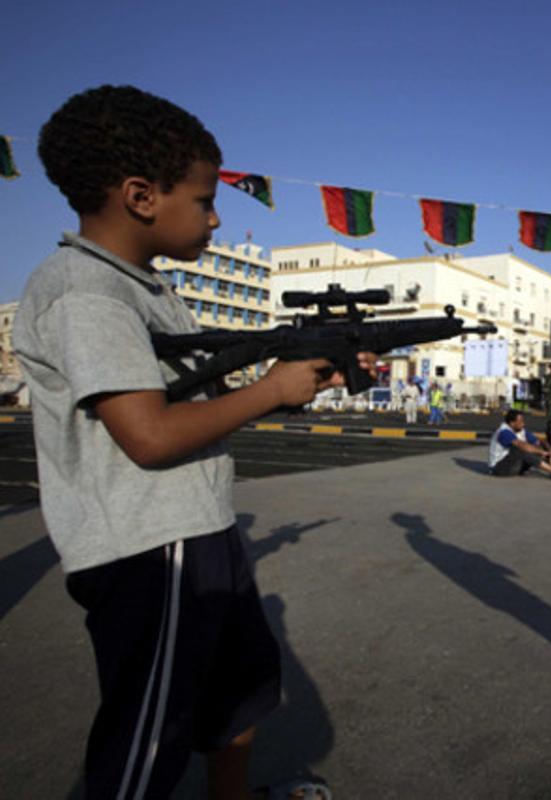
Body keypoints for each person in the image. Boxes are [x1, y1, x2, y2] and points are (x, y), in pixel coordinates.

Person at [11, 85, 338, 799]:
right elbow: (150, 436)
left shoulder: (147, 288)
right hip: (148, 548)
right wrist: (272, 390)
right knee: (145, 744)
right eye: (204, 199)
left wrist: (306, 376)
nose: (216, 217)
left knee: (237, 698)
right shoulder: (87, 292)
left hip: (196, 529)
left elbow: (199, 406)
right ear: (140, 195)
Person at [488, 409, 551, 480]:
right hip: (499, 468)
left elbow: (539, 441)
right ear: (512, 423)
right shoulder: (504, 432)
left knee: (540, 448)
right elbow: (521, 445)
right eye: (520, 421)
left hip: (513, 465)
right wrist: (541, 452)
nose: (523, 423)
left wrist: (548, 449)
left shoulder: (520, 430)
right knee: (522, 450)